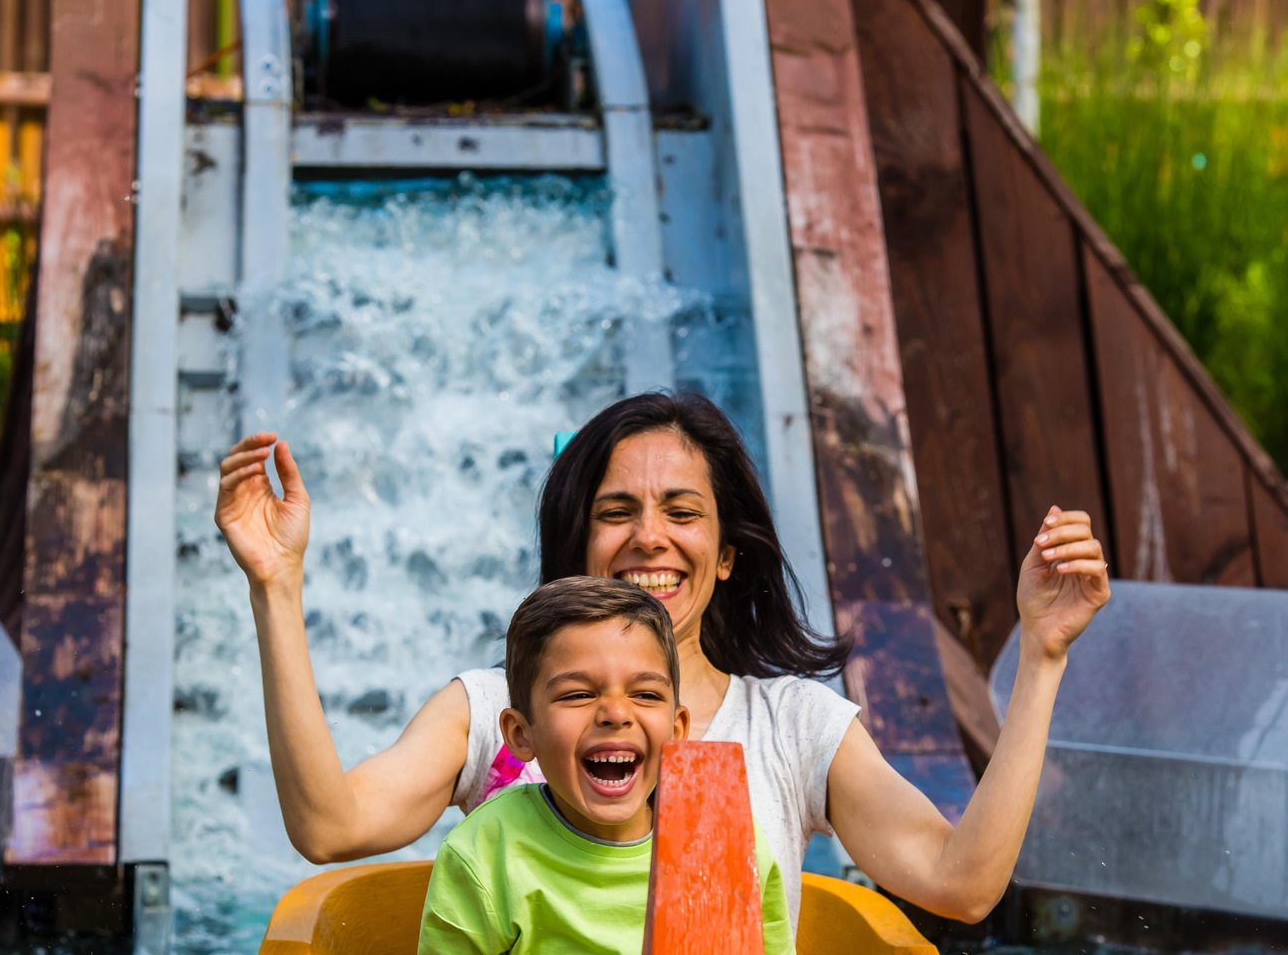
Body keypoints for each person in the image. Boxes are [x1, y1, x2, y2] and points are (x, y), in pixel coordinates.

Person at [214, 391, 1110, 927]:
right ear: (577, 544)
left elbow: (961, 885)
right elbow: (328, 827)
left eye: (683, 513)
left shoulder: (794, 727)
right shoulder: (495, 712)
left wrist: (1041, 657)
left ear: (725, 555)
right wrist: (276, 588)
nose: (651, 538)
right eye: (617, 513)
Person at [416, 575, 793, 954]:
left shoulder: (728, 846)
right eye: (578, 694)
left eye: (645, 694)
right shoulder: (484, 853)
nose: (615, 713)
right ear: (520, 733)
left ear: (678, 730)